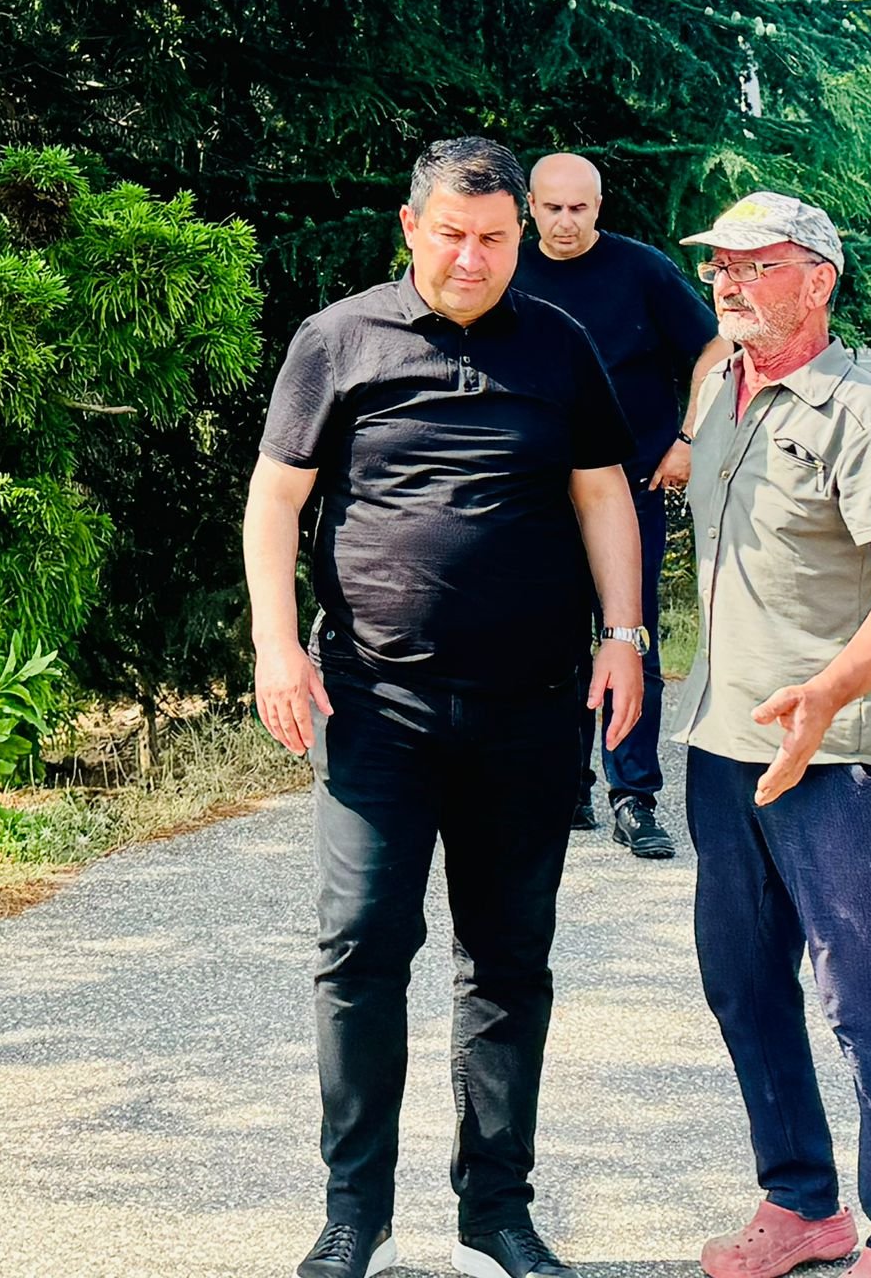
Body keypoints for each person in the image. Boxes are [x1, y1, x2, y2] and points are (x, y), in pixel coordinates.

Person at [243, 136, 644, 1278]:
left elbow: (602, 494)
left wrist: (624, 637)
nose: (473, 258)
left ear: (521, 238)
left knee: (508, 962)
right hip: (376, 704)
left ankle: (496, 1214)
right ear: (411, 228)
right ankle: (354, 1215)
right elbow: (277, 499)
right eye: (453, 235)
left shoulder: (558, 344)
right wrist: (277, 644)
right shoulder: (338, 339)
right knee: (359, 950)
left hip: (532, 705)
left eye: (496, 238)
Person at [672, 190, 871, 1278]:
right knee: (742, 987)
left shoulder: (863, 417)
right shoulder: (722, 391)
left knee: (870, 1007)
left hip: (842, 759)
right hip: (724, 745)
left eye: (757, 264)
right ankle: (800, 1205)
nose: (729, 281)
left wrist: (827, 693)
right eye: (720, 264)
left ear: (819, 280)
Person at [513, 153, 728, 858]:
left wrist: (688, 439)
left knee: (629, 635)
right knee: (546, 638)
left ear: (598, 207)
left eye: (579, 208)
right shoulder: (507, 270)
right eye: (552, 208)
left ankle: (633, 796)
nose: (565, 221)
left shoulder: (640, 270)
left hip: (630, 487)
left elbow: (714, 349)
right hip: (537, 491)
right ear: (530, 207)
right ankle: (564, 786)